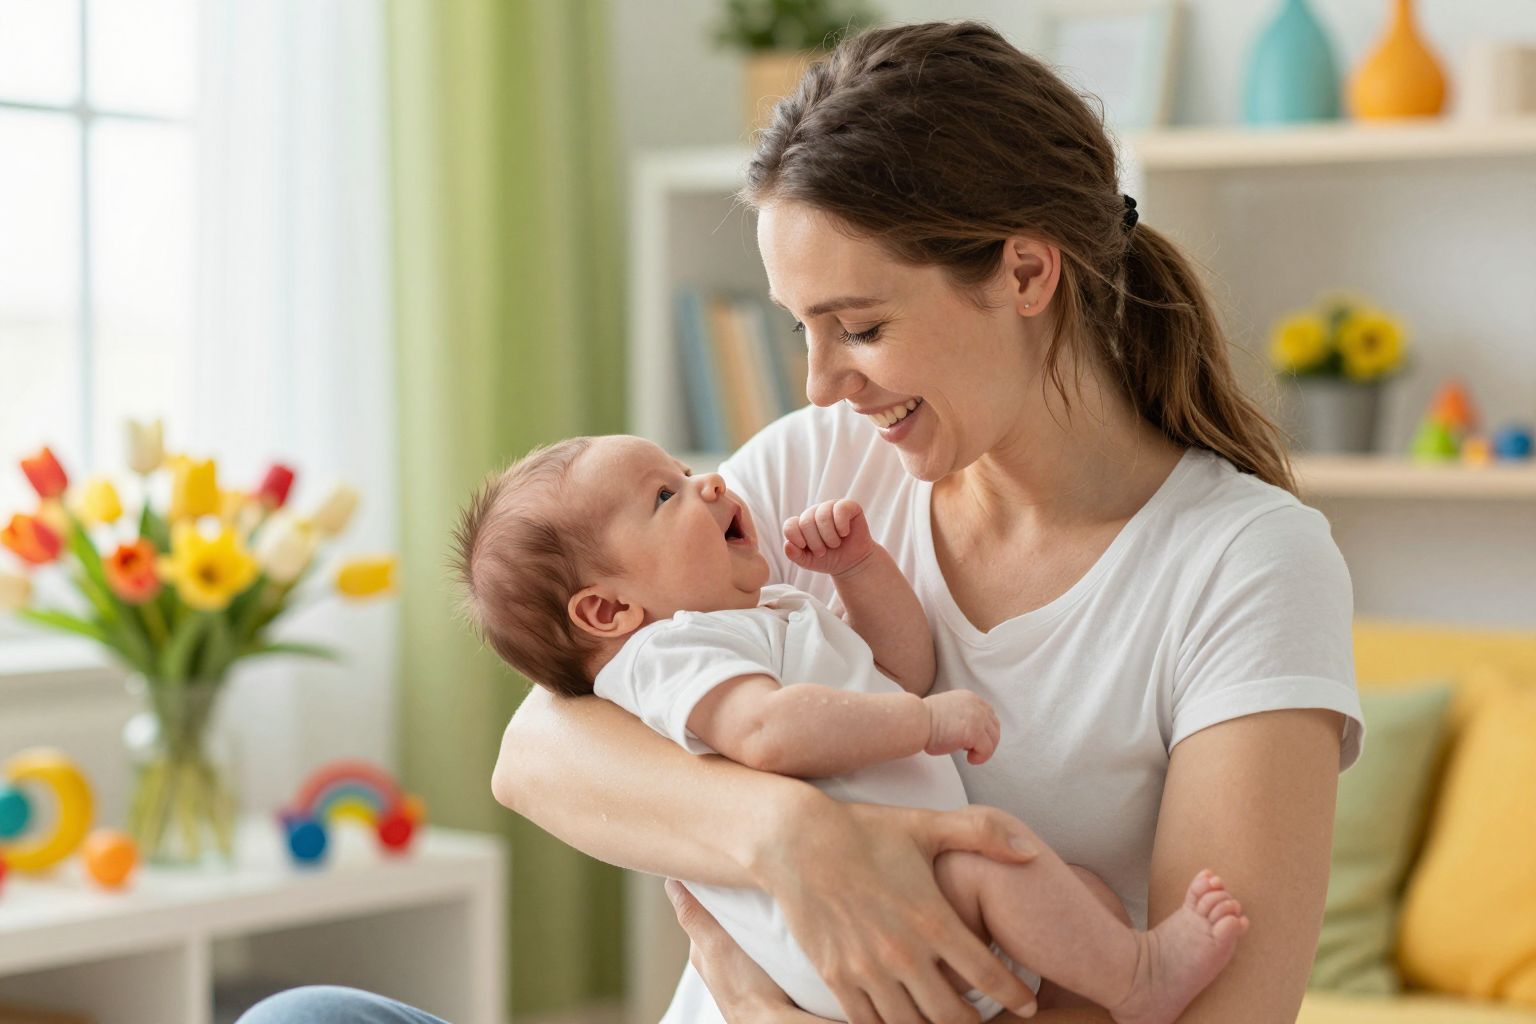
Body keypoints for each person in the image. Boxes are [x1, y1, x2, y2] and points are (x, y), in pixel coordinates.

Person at [238, 17, 1363, 1024]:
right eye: (801, 333)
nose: (822, 385)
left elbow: (1228, 1009)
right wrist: (797, 844)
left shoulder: (1243, 564)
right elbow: (538, 752)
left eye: (859, 327)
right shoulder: (820, 464)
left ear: (1025, 271)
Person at [454, 432, 1250, 1024]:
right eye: (664, 497)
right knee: (998, 857)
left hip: (903, 904)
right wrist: (925, 723)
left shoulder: (761, 616)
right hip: (837, 933)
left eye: (685, 471)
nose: (707, 485)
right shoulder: (666, 654)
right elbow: (768, 731)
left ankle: (1122, 975)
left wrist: (860, 573)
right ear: (608, 610)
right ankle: (1141, 983)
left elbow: (896, 667)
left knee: (1078, 895)